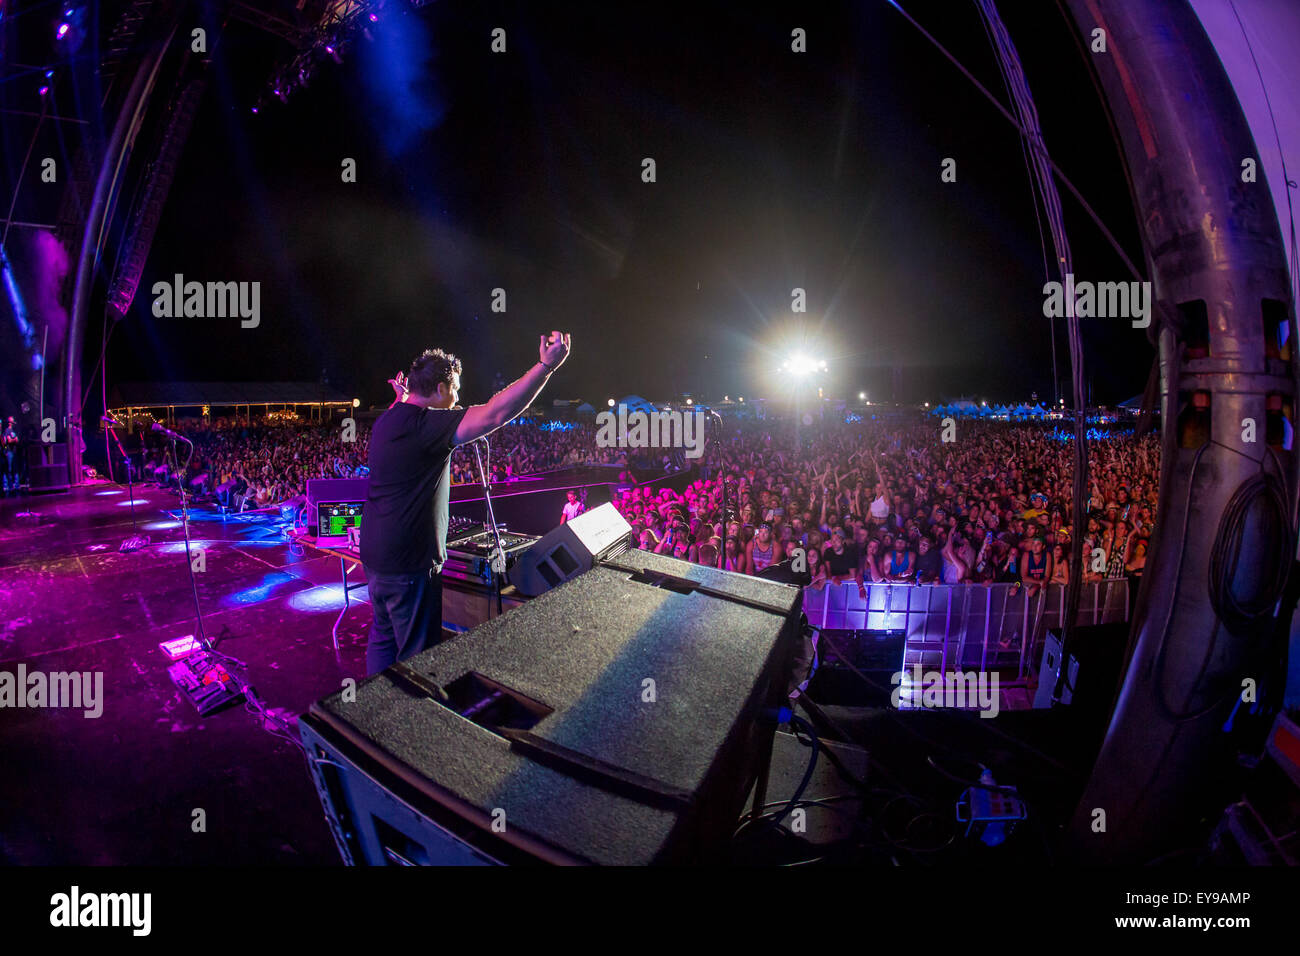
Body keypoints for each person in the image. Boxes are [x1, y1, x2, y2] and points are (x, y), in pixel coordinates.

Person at [360, 332, 571, 675]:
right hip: (409, 561)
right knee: (416, 655)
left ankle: (367, 716)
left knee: (383, 639)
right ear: (440, 388)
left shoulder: (388, 420)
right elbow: (494, 414)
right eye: (455, 389)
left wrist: (401, 398)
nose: (458, 399)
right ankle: (411, 722)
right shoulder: (425, 425)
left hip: (375, 554)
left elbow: (407, 409)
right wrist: (545, 367)